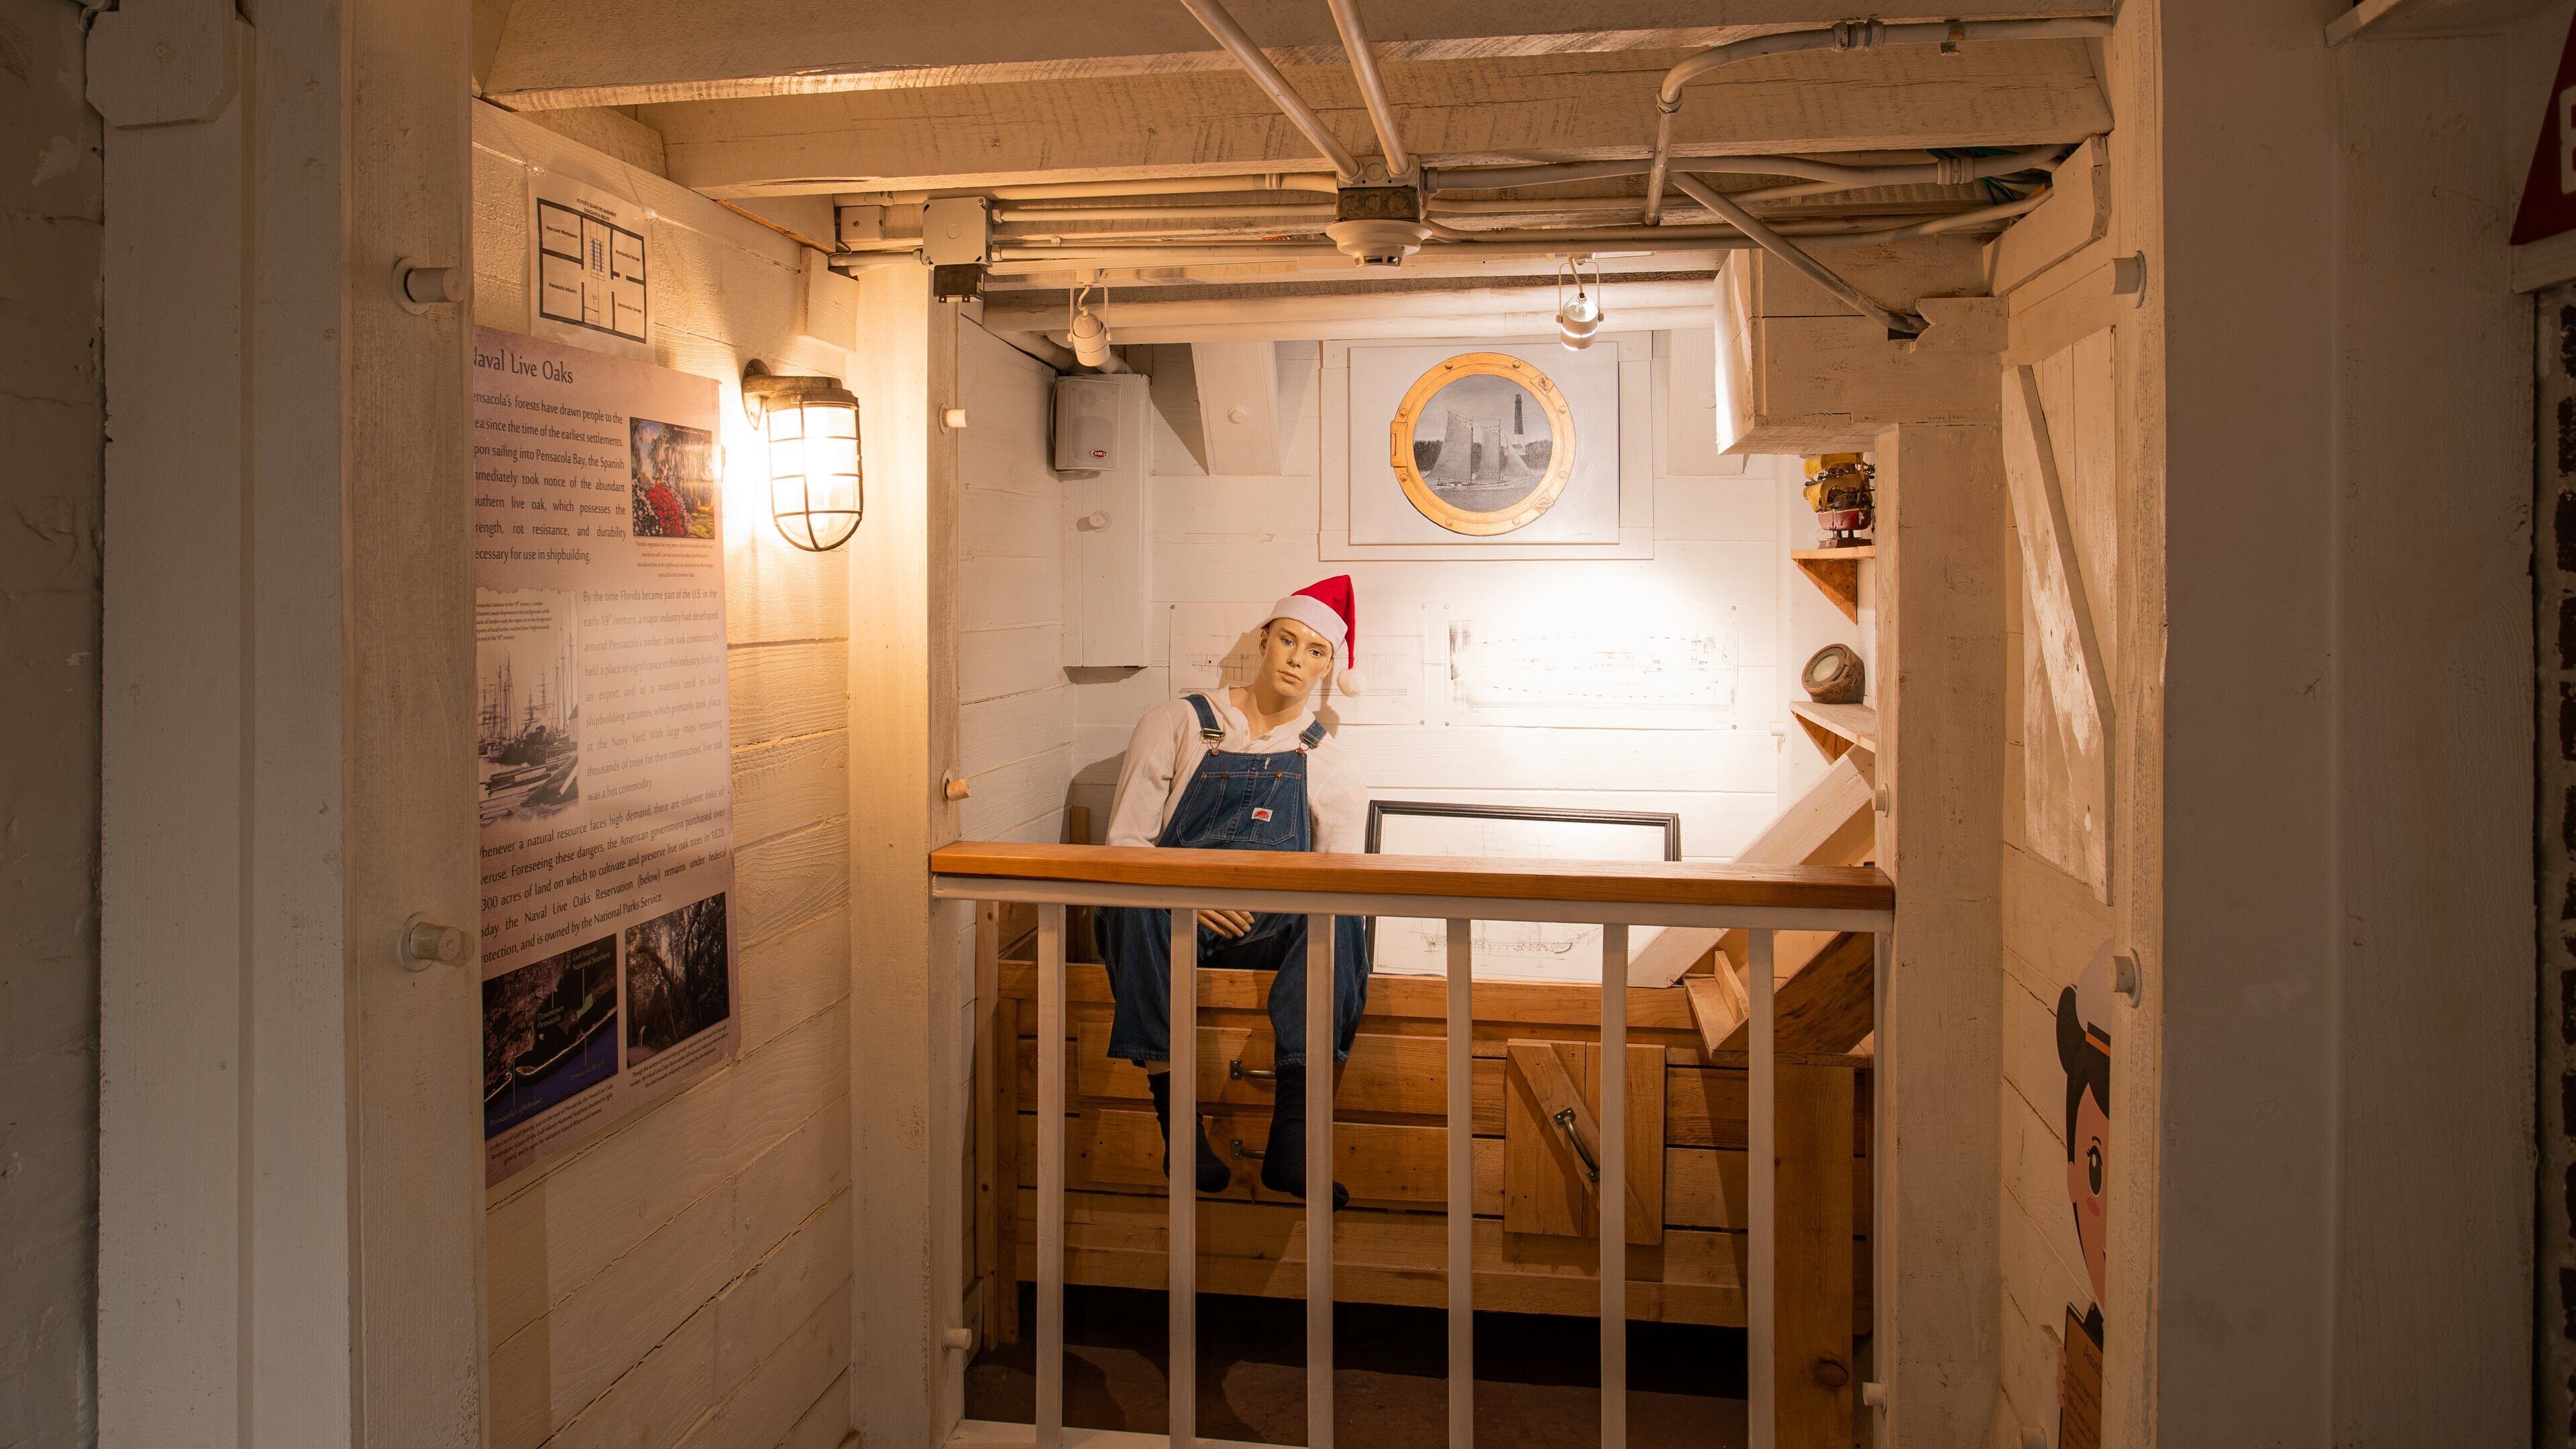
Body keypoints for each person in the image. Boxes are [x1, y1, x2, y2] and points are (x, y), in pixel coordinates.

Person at [1095, 576, 1371, 1208]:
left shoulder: (1327, 762)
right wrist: (1184, 893)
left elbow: (1341, 875)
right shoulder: (1179, 722)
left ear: (1331, 665)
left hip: (1263, 931)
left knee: (1341, 917)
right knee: (1126, 899)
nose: (1298, 660)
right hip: (1165, 919)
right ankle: (1179, 1127)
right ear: (1265, 641)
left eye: (1317, 651)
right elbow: (1125, 842)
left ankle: (1294, 1139)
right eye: (1288, 641)